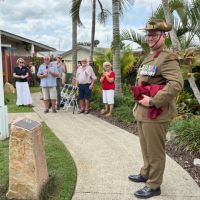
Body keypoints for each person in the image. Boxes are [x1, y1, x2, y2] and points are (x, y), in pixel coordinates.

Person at [128, 19, 183, 199]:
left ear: (163, 36)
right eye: (148, 34)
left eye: (154, 34)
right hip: (143, 112)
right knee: (145, 147)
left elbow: (176, 84)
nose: (150, 38)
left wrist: (153, 100)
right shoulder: (151, 56)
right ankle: (146, 173)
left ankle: (154, 185)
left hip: (155, 113)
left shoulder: (167, 57)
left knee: (155, 151)